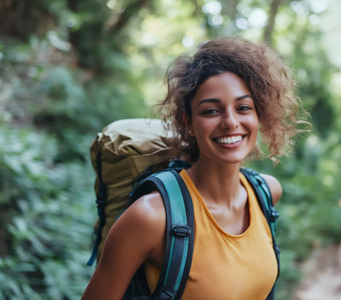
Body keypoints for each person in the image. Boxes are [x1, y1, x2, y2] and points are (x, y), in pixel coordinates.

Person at [82, 37, 304, 299]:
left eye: (243, 107)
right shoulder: (151, 217)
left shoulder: (265, 193)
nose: (231, 122)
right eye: (211, 111)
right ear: (188, 122)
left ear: (259, 115)